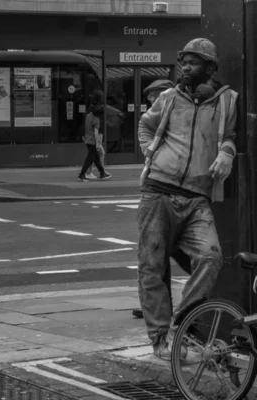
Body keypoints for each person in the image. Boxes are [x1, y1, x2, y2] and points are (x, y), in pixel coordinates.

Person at [137, 38, 238, 361]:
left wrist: (226, 153)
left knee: (211, 257)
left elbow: (230, 138)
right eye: (184, 62)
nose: (186, 68)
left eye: (193, 63)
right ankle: (159, 342)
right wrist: (152, 155)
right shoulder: (168, 98)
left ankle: (181, 321)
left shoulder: (227, 101)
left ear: (209, 68)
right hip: (158, 191)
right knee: (152, 268)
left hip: (197, 199)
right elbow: (145, 127)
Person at [131, 78, 176, 320]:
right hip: (155, 185)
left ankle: (162, 306)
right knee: (156, 255)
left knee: (156, 254)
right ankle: (157, 305)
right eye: (149, 97)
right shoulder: (152, 120)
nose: (150, 100)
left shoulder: (173, 116)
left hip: (165, 190)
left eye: (154, 96)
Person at [77, 93, 112, 182]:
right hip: (93, 141)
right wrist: (97, 143)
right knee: (90, 158)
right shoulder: (97, 120)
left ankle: (102, 173)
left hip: (87, 139)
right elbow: (96, 133)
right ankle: (82, 174)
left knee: (95, 158)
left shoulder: (88, 116)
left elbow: (84, 126)